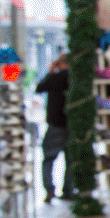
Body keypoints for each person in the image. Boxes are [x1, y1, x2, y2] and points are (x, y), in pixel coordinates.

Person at [35, 54, 72, 203]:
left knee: (48, 158)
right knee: (70, 159)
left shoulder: (55, 77)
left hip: (55, 124)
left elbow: (39, 88)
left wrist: (50, 72)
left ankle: (49, 190)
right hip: (70, 124)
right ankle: (68, 190)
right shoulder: (74, 78)